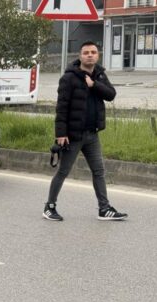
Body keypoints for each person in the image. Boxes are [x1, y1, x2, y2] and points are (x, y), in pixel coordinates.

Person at [43, 41, 127, 222]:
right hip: (73, 135)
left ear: (98, 55)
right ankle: (49, 206)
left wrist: (94, 84)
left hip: (92, 135)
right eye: (86, 52)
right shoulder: (69, 78)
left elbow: (111, 95)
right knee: (63, 172)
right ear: (80, 56)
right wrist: (60, 134)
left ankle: (104, 209)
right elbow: (62, 107)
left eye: (93, 52)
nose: (90, 55)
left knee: (99, 171)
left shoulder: (99, 75)